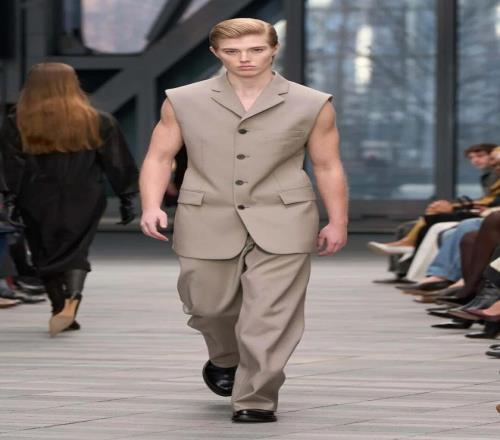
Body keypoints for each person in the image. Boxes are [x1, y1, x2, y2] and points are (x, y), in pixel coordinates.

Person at [140, 18, 348, 423]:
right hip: (206, 214)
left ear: (274, 49)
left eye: (256, 49)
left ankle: (255, 398)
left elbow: (327, 165)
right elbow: (159, 157)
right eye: (233, 52)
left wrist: (337, 221)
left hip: (285, 217)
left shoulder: (311, 102)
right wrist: (151, 205)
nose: (245, 59)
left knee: (271, 315)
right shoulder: (183, 99)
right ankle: (226, 358)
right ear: (216, 53)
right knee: (206, 306)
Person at [0, 63, 138, 336]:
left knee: (43, 250)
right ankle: (72, 300)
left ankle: (58, 308)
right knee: (76, 250)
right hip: (84, 196)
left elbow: (11, 165)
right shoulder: (99, 120)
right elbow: (117, 162)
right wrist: (126, 197)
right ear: (73, 84)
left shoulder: (18, 121)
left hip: (36, 197)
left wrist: (10, 199)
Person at [367, 143, 497, 256]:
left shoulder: (493, 176)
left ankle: (409, 245)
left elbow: (491, 201)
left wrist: (454, 207)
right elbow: (488, 199)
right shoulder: (488, 176)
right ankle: (406, 254)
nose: (475, 160)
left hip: (489, 214)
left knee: (432, 218)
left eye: (480, 156)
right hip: (486, 211)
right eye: (471, 158)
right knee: (416, 223)